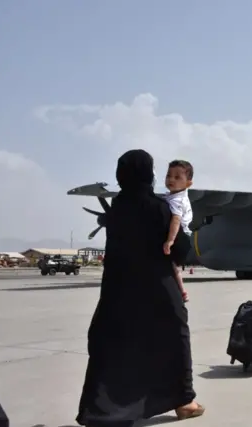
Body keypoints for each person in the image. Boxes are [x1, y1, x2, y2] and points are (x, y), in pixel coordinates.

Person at [76, 149, 204, 427]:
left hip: (118, 290)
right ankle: (184, 401)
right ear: (149, 174)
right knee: (175, 334)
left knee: (113, 344)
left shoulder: (117, 208)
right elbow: (180, 253)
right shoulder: (159, 207)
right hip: (157, 289)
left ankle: (102, 409)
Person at [163, 159, 194, 303]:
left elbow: (175, 220)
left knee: (172, 268)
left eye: (177, 177)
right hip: (184, 236)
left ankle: (182, 292)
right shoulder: (177, 196)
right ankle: (181, 291)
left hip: (179, 237)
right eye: (168, 175)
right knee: (173, 268)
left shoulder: (177, 200)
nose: (171, 179)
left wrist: (170, 240)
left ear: (188, 183)